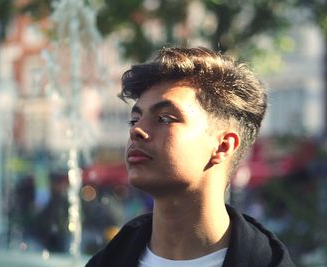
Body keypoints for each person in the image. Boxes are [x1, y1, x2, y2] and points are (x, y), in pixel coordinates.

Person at [85, 47, 295, 267]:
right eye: (134, 119)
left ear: (223, 146)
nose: (136, 130)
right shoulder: (108, 260)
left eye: (165, 118)